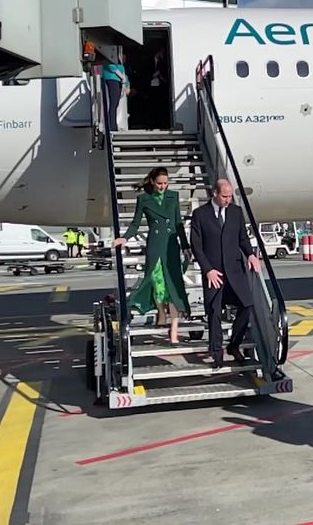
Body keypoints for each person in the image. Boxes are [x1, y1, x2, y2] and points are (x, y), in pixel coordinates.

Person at [113, 167, 191, 344]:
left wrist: (185, 246)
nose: (162, 186)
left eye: (165, 183)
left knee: (173, 286)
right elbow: (135, 223)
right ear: (152, 182)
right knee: (157, 282)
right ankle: (161, 313)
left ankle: (174, 330)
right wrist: (124, 239)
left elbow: (178, 222)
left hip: (171, 244)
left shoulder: (173, 196)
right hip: (155, 244)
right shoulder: (144, 199)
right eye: (159, 183)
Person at [190, 179, 261, 368]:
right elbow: (196, 246)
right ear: (215, 194)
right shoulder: (200, 215)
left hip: (235, 271)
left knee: (246, 306)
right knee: (214, 311)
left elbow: (242, 239)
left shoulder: (236, 212)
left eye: (230, 196)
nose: (228, 200)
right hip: (213, 273)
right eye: (224, 196)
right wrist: (208, 270)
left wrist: (251, 255)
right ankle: (216, 352)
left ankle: (234, 345)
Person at [102, 54, 131, 133]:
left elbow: (124, 74)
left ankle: (113, 125)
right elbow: (112, 67)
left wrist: (127, 85)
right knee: (113, 104)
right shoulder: (109, 57)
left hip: (118, 81)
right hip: (111, 79)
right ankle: (112, 126)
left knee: (115, 104)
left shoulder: (119, 62)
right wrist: (122, 77)